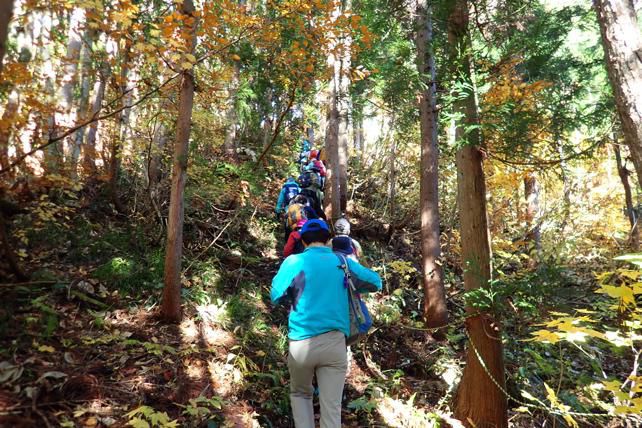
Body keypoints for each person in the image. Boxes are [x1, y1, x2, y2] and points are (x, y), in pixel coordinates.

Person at [271, 219, 382, 428]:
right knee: (331, 408)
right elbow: (376, 282)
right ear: (329, 239)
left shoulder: (294, 262)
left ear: (302, 240)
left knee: (300, 394)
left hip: (300, 343)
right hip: (334, 343)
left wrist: (292, 293)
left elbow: (275, 294)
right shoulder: (342, 262)